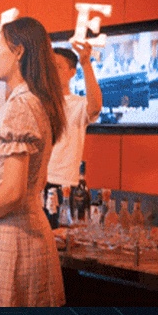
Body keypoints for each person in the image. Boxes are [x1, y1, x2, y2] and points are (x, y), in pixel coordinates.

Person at [0, 16, 67, 307]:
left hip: (14, 236)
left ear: (19, 51)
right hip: (29, 230)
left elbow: (14, 192)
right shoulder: (36, 100)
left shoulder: (20, 105)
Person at [45, 42, 103, 227]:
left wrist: (86, 64)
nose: (52, 72)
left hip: (63, 184)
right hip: (35, 184)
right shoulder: (36, 102)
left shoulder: (77, 104)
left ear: (72, 72)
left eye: (58, 67)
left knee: (59, 237)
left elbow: (95, 107)